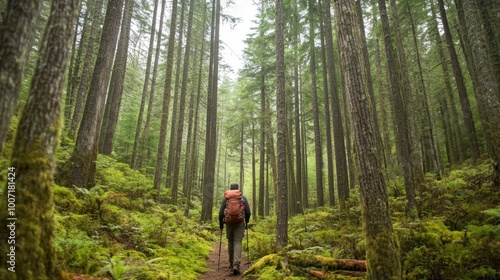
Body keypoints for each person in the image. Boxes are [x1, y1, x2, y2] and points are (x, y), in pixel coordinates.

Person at [219, 183, 251, 275]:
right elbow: (248, 212)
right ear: (238, 189)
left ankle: (231, 263)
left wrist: (221, 224)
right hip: (240, 222)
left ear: (230, 189)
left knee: (230, 242)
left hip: (229, 223)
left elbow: (221, 213)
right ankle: (236, 265)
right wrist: (246, 221)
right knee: (238, 242)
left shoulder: (226, 198)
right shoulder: (243, 198)